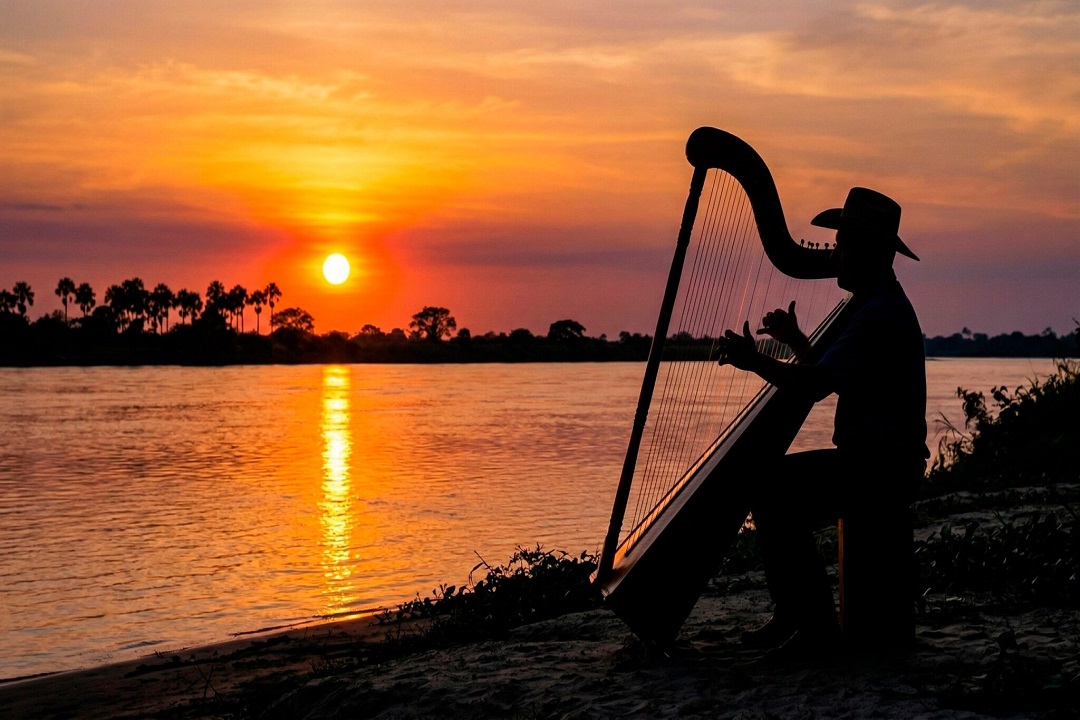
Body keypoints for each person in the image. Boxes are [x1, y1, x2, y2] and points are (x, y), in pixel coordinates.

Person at [715, 187, 930, 657]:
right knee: (772, 484)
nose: (835, 255)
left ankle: (811, 630)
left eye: (843, 245)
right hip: (874, 461)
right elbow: (833, 376)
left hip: (883, 469)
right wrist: (795, 342)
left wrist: (755, 362)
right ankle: (796, 616)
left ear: (870, 252)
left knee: (772, 488)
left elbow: (814, 386)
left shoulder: (880, 312)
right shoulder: (873, 304)